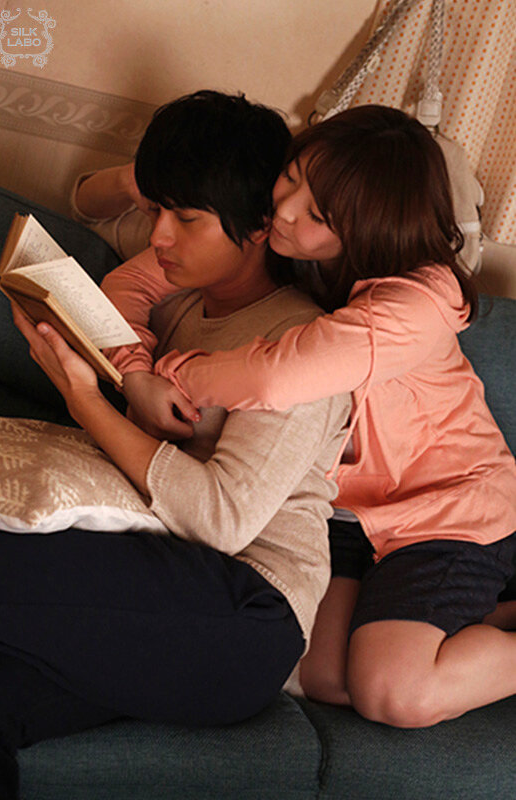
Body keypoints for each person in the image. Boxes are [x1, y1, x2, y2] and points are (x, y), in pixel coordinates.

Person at [0, 90, 351, 797]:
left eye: (186, 218)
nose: (158, 236)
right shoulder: (180, 307)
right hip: (156, 582)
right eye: (156, 211)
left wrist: (84, 401)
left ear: (258, 226)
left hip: (246, 615)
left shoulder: (300, 349)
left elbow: (221, 519)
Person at [100, 104, 516, 729]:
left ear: (370, 224)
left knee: (392, 692)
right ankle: (477, 615)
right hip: (351, 511)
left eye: (317, 213)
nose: (285, 211)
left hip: (443, 507)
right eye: (290, 178)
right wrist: (133, 372)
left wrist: (171, 375)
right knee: (318, 676)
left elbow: (275, 377)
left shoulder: (415, 304)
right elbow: (127, 287)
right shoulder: (294, 248)